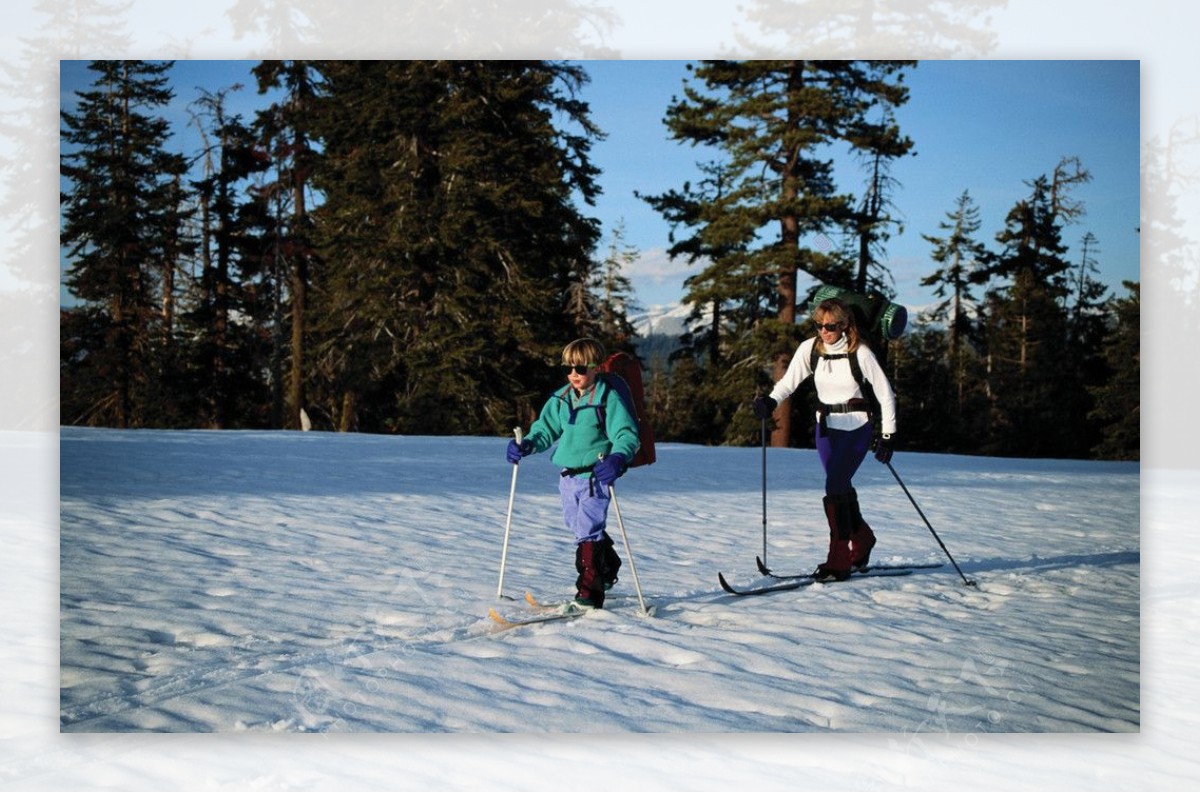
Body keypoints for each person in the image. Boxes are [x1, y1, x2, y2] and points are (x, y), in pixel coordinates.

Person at [753, 298, 898, 582]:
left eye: (831, 325)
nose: (825, 331)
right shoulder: (811, 349)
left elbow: (885, 394)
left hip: (857, 427)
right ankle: (863, 537)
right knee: (839, 487)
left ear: (844, 325)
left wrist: (888, 434)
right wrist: (770, 401)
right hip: (825, 429)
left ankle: (839, 559)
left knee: (834, 485)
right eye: (819, 325)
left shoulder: (861, 353)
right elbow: (789, 382)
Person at [506, 338, 641, 610]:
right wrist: (528, 444)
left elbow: (626, 434)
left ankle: (589, 593)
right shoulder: (561, 398)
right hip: (568, 477)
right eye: (567, 368)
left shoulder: (607, 398)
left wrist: (618, 457)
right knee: (576, 526)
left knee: (587, 532)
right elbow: (545, 429)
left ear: (595, 367)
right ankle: (609, 565)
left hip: (596, 475)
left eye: (579, 368)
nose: (573, 375)